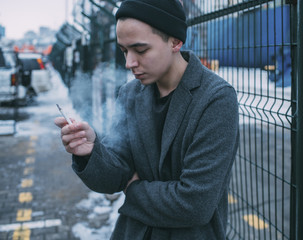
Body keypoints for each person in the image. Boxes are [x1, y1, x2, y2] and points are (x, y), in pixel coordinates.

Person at [54, 0, 239, 239]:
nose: (129, 63)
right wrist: (90, 152)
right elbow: (116, 174)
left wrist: (133, 189)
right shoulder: (130, 94)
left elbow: (194, 205)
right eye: (124, 51)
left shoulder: (215, 99)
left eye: (140, 50)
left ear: (175, 41)